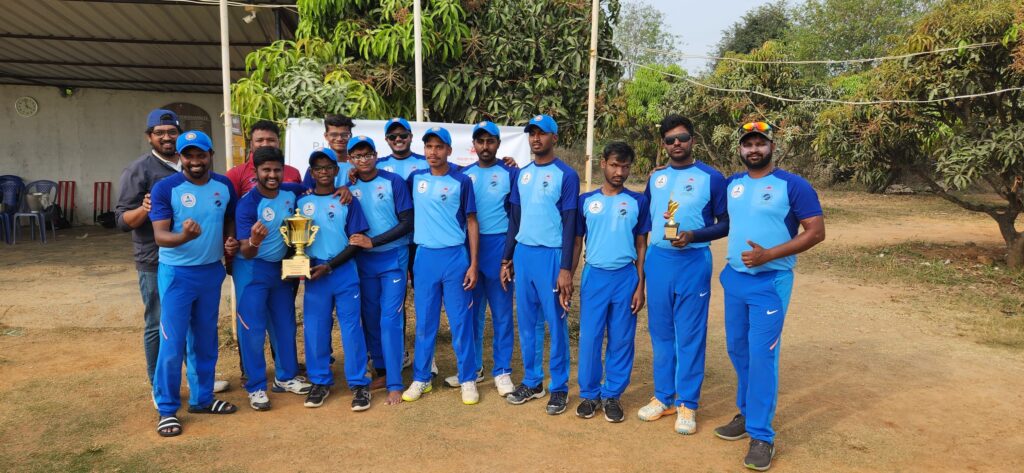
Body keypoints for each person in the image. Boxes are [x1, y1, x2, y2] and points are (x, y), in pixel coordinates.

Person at [715, 121, 825, 471]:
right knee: (738, 349)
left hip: (770, 282)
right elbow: (724, 222)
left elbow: (816, 231)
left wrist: (769, 254)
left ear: (772, 146)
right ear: (740, 149)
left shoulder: (793, 185)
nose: (753, 150)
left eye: (760, 143)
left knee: (763, 357)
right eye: (747, 144)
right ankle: (747, 414)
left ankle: (762, 435)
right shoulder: (732, 184)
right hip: (735, 279)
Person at [114, 109, 225, 393]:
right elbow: (121, 220)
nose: (166, 137)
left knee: (194, 327)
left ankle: (197, 382)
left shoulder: (190, 166)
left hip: (199, 262)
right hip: (156, 260)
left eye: (171, 132)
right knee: (160, 325)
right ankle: (158, 386)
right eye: (159, 133)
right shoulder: (139, 170)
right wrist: (145, 209)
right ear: (149, 137)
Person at [638, 114, 728, 435]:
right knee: (661, 333)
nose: (677, 144)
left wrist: (694, 235)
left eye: (683, 138)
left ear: (693, 140)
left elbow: (724, 222)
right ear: (663, 145)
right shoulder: (657, 178)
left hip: (692, 262)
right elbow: (644, 215)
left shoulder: (712, 177)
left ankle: (687, 403)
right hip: (659, 261)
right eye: (670, 140)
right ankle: (663, 397)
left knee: (689, 334)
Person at [149, 130, 240, 437]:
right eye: (189, 155)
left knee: (204, 340)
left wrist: (229, 239)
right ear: (181, 157)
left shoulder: (224, 185)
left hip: (210, 272)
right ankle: (166, 409)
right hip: (177, 274)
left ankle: (202, 399)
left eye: (201, 154)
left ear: (210, 155)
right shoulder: (166, 188)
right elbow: (160, 236)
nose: (195, 160)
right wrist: (184, 236)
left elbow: (229, 216)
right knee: (172, 343)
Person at [500, 114, 579, 415]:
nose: (536, 138)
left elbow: (570, 223)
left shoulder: (566, 175)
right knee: (527, 322)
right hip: (524, 253)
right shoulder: (522, 174)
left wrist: (566, 268)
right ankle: (533, 381)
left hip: (551, 255)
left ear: (554, 138)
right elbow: (514, 219)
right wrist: (507, 258)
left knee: (555, 323)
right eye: (532, 133)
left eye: (542, 133)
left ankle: (558, 387)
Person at [400, 126, 481, 405]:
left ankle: (468, 378)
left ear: (448, 150)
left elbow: (472, 222)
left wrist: (473, 264)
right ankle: (422, 378)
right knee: (425, 322)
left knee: (461, 322)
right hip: (425, 258)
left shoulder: (462, 180)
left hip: (455, 258)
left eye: (439, 147)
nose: (433, 152)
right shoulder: (415, 178)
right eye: (428, 147)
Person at [571, 142, 649, 423]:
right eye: (615, 165)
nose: (620, 171)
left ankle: (612, 395)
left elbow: (642, 244)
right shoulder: (585, 200)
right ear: (603, 163)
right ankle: (590, 394)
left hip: (625, 277)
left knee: (622, 338)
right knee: (590, 338)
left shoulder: (638, 201)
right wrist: (568, 272)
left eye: (625, 166)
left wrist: (640, 284)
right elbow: (578, 241)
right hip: (595, 275)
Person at [233, 147, 313, 411]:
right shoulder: (248, 204)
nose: (272, 175)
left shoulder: (292, 192)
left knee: (285, 325)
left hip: (280, 270)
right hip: (253, 270)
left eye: (276, 169)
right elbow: (245, 250)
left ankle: (286, 376)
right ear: (255, 172)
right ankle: (256, 387)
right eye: (266, 170)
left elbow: (316, 186)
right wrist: (254, 240)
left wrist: (343, 190)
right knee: (252, 329)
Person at [444, 121, 517, 396]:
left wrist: (509, 255)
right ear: (473, 145)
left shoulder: (509, 173)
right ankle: (473, 369)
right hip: (470, 249)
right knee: (471, 314)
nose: (485, 146)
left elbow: (515, 216)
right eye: (480, 141)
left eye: (491, 141)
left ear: (498, 144)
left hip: (499, 247)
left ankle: (502, 371)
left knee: (501, 314)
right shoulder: (463, 175)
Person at [299, 148, 375, 411]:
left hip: (342, 272)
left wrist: (331, 266)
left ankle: (359, 383)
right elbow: (293, 242)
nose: (323, 172)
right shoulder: (301, 203)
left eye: (328, 167)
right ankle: (319, 381)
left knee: (351, 328)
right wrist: (301, 263)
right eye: (317, 168)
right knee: (315, 329)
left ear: (335, 170)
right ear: (311, 172)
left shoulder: (347, 200)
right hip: (315, 274)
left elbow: (356, 242)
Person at [347, 135, 414, 405]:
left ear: (376, 155)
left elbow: (407, 222)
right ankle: (383, 372)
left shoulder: (393, 181)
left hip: (392, 259)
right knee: (371, 319)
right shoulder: (347, 187)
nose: (363, 160)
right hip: (363, 261)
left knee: (390, 320)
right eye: (357, 156)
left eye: (367, 154)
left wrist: (373, 241)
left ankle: (396, 383)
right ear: (351, 159)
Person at [225, 120, 302, 196]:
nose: (265, 144)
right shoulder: (235, 174)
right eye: (259, 140)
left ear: (279, 143)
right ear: (251, 145)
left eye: (271, 140)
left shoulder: (294, 173)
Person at [302, 114, 356, 188]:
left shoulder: (360, 165)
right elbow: (306, 194)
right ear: (326, 136)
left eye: (344, 135)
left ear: (350, 136)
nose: (339, 139)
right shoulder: (315, 168)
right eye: (334, 135)